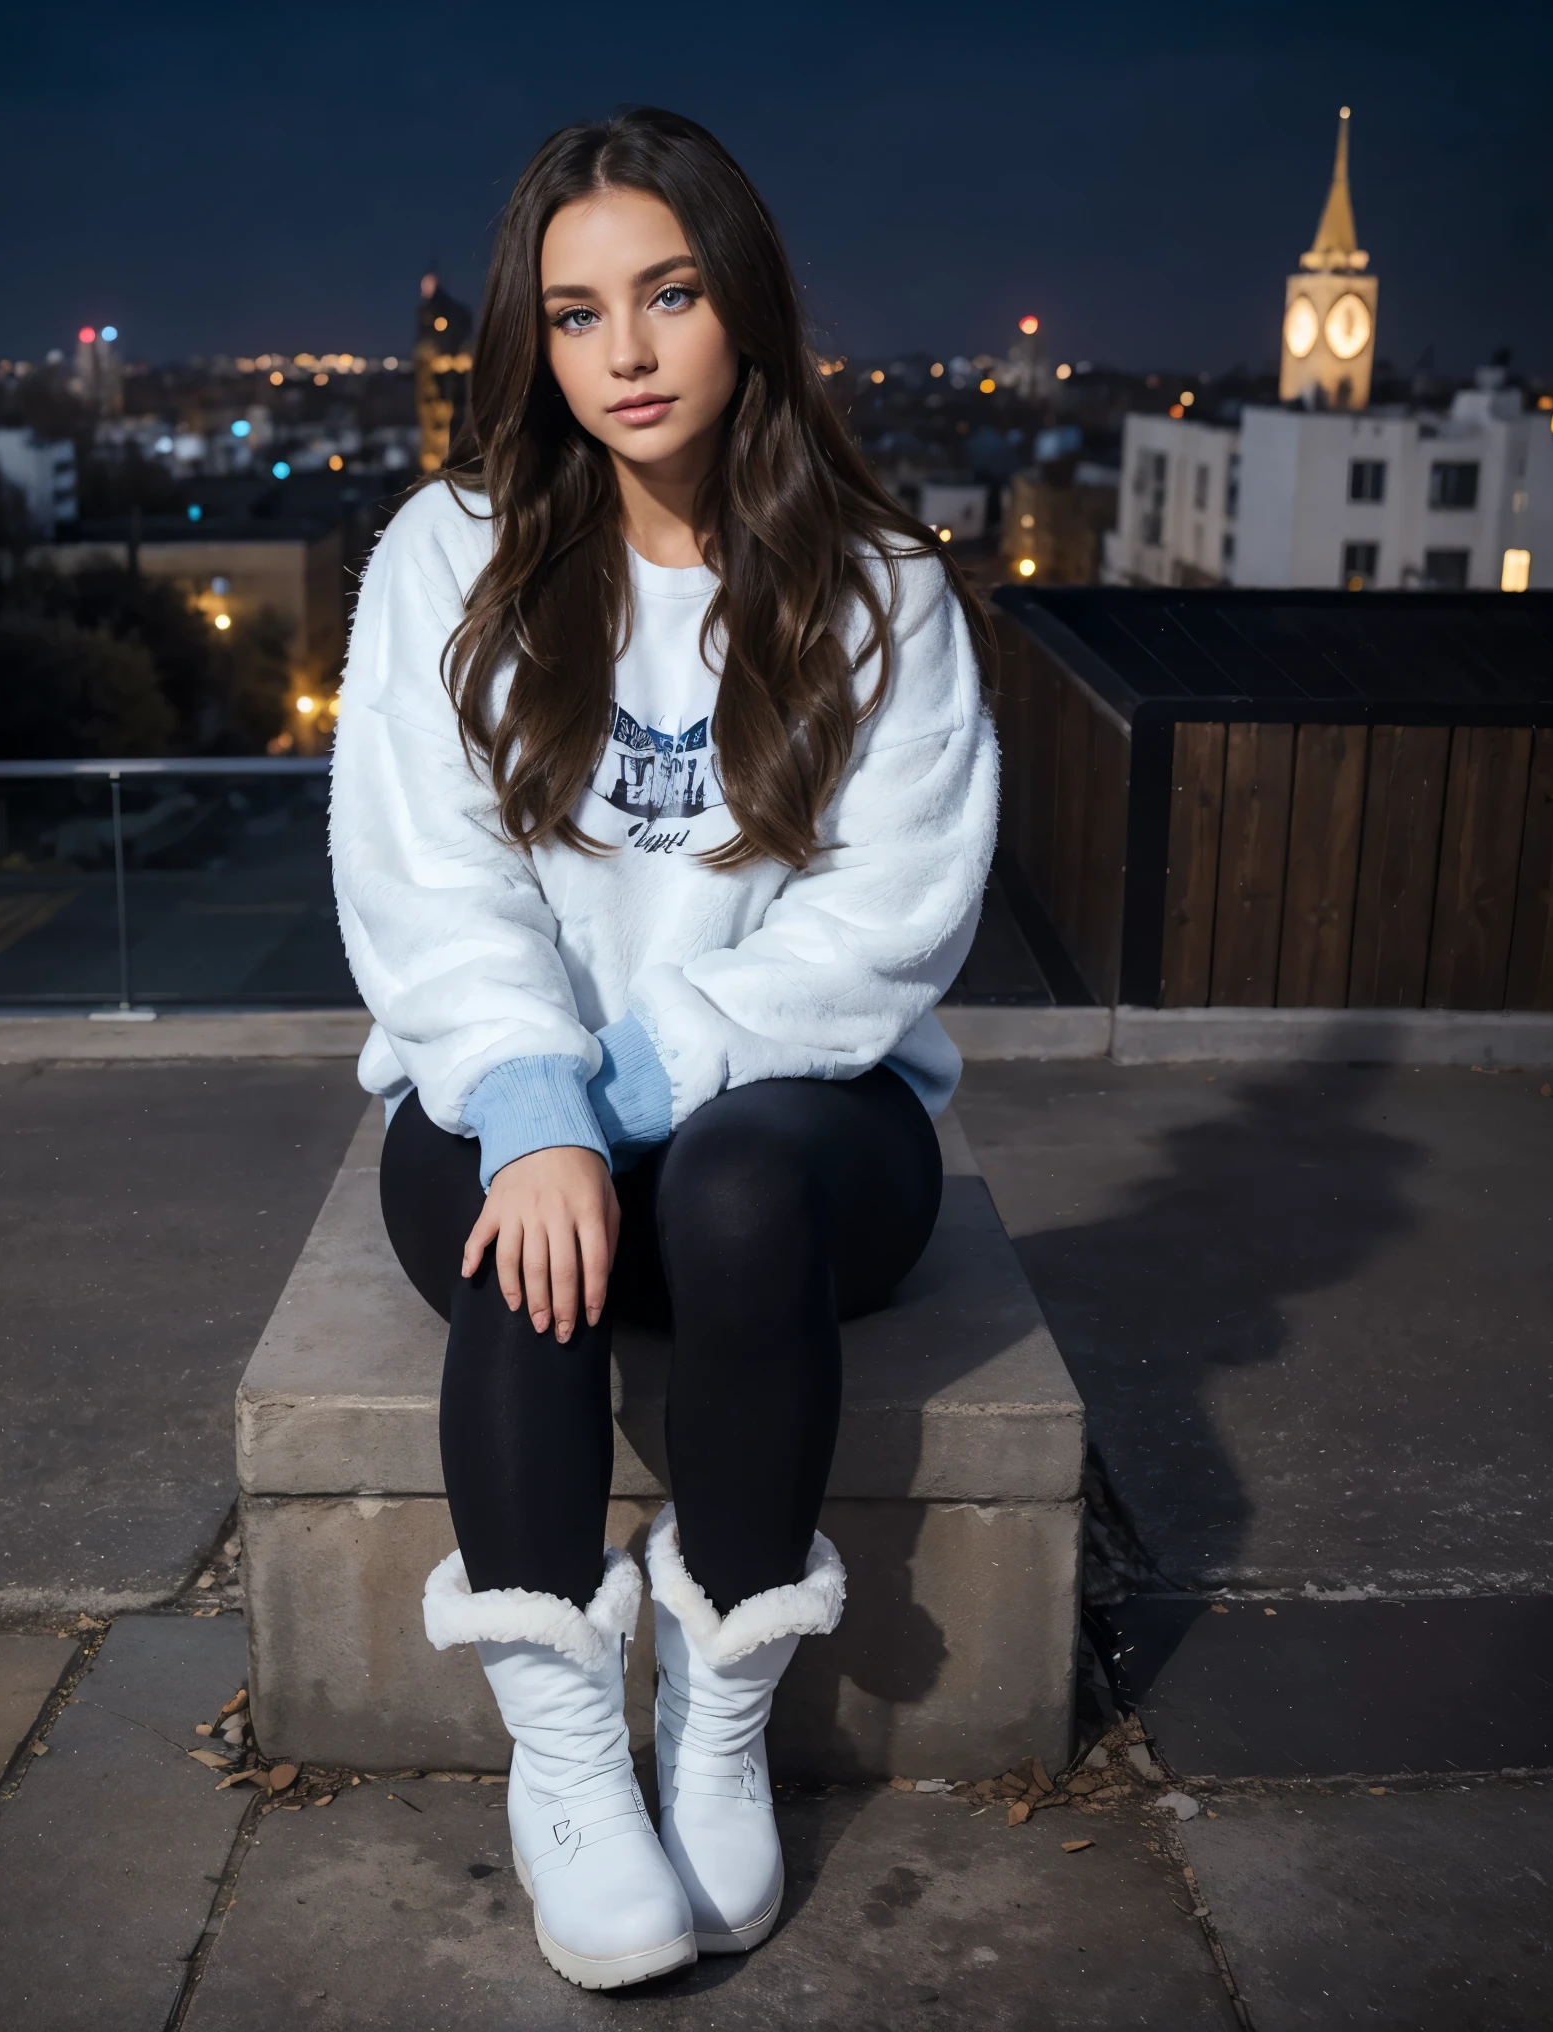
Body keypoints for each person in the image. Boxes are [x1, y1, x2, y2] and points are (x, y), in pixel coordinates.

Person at [330, 106, 998, 1991]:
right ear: (528, 341)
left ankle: (719, 1722)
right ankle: (565, 1752)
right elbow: (426, 883)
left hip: (801, 1154)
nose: (622, 353)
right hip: (500, 1102)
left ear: (746, 309)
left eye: (669, 295)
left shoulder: (878, 588)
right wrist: (538, 1106)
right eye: (573, 312)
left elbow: (887, 922)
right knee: (501, 1176)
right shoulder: (448, 557)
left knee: (730, 1170)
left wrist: (615, 1100)